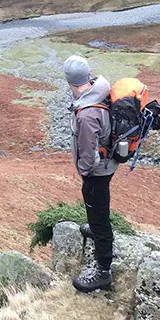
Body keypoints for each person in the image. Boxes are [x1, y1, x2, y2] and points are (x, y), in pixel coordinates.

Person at [63, 55, 118, 293]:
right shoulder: (99, 90)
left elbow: (88, 157)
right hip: (107, 165)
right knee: (97, 212)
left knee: (99, 216)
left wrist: (83, 173)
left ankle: (103, 272)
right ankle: (96, 230)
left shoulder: (86, 114)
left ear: (69, 82)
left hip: (97, 173)